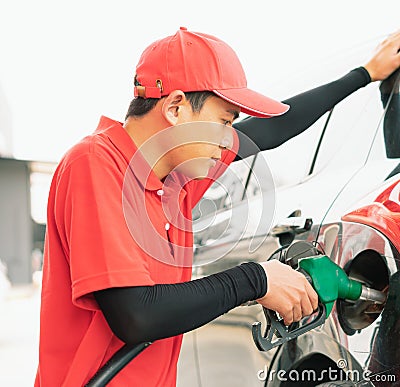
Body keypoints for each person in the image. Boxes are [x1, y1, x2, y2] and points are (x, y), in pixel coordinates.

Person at [35, 27, 400, 386]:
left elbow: (269, 132)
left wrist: (364, 75)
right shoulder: (95, 163)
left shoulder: (175, 182)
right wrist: (257, 279)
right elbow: (136, 316)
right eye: (224, 121)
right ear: (176, 108)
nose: (229, 138)